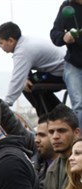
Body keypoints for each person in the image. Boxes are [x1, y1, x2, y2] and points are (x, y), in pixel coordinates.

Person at [0, 21, 66, 115]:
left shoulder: (22, 52)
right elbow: (23, 71)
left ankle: (51, 116)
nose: (0, 46)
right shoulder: (25, 42)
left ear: (11, 41)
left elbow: (17, 80)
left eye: (1, 43)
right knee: (29, 82)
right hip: (57, 70)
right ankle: (58, 112)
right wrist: (26, 78)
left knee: (29, 86)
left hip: (62, 74)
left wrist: (5, 104)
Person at [52, 0, 82, 128]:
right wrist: (65, 37)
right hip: (74, 62)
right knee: (78, 104)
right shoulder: (67, 6)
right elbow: (55, 34)